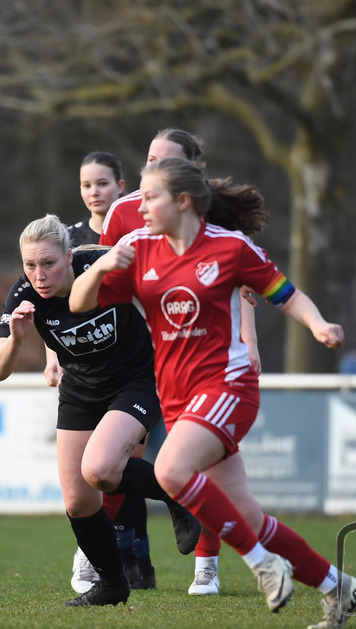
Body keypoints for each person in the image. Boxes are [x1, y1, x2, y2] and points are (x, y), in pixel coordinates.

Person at [71, 157, 356, 628]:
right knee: (248, 517)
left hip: (228, 386)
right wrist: (101, 266)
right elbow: (78, 302)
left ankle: (262, 565)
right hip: (178, 397)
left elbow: (285, 293)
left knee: (169, 470)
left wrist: (317, 324)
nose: (139, 207)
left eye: (150, 197)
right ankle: (339, 587)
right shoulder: (140, 250)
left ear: (183, 201)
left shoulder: (231, 248)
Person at [0, 214, 201, 607]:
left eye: (48, 263)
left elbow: (172, 281)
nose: (39, 274)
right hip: (80, 389)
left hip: (138, 379)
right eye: (30, 265)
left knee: (101, 470)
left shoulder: (102, 265)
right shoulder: (23, 294)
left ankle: (178, 493)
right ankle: (113, 585)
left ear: (69, 256)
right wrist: (17, 340)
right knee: (79, 501)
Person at [101, 128, 261, 597]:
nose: (154, 171)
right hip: (144, 363)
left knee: (196, 466)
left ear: (191, 175)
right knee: (118, 460)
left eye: (167, 162)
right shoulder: (127, 213)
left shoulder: (218, 227)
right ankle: (104, 554)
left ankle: (208, 564)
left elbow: (248, 287)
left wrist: (250, 341)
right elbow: (99, 283)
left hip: (207, 362)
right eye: (150, 159)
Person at [53, 151, 157, 593]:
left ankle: (138, 559)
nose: (94, 192)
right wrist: (50, 356)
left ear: (122, 187)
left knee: (120, 465)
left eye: (102, 184)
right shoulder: (67, 240)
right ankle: (97, 557)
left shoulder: (135, 233)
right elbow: (54, 303)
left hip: (131, 369)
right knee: (95, 473)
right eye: (86, 185)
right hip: (82, 373)